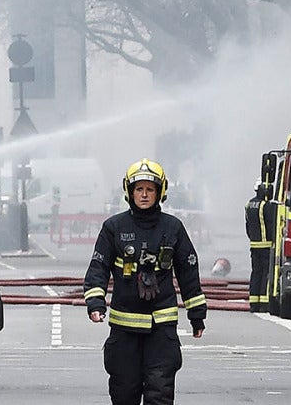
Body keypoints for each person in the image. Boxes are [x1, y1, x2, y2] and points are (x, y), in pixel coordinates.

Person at [84, 159, 206, 405]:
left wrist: (197, 315)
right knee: (123, 392)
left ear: (160, 192)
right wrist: (95, 302)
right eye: (139, 189)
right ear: (129, 192)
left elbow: (188, 272)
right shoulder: (114, 227)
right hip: (124, 327)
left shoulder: (173, 228)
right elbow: (98, 266)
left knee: (160, 391)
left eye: (150, 189)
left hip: (161, 327)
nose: (144, 194)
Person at [245, 179, 272, 312]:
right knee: (266, 273)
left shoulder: (249, 204)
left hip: (254, 245)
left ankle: (253, 302)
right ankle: (264, 302)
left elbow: (247, 226)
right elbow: (272, 225)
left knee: (256, 272)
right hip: (266, 245)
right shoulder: (266, 206)